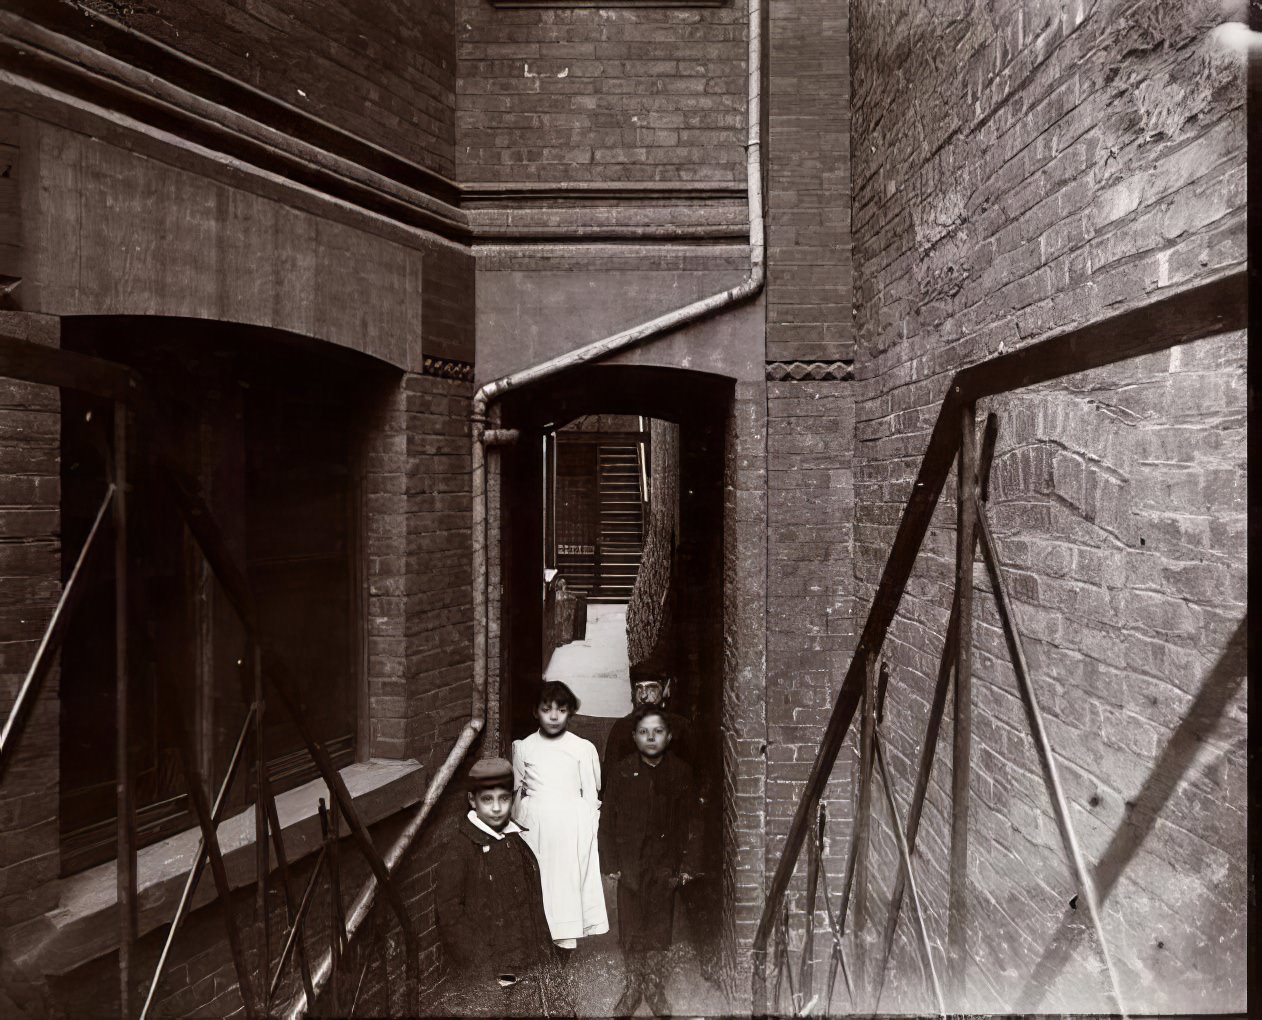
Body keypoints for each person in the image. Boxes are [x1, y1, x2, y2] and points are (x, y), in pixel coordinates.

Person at [434, 757, 563, 1015]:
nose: (496, 808)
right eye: (487, 800)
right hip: (493, 965)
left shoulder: (514, 840)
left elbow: (532, 901)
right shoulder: (461, 850)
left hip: (525, 956)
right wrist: (481, 963)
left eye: (503, 799)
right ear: (472, 800)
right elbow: (449, 914)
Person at [600, 705, 702, 1016]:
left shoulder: (681, 772)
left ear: (669, 736)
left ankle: (654, 987)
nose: (651, 737)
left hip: (664, 864)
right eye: (644, 732)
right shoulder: (621, 772)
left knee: (659, 926)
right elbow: (607, 820)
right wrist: (611, 862)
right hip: (630, 863)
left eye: (658, 731)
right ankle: (633, 986)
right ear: (634, 737)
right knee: (631, 927)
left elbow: (693, 821)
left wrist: (687, 866)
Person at [512, 680, 610, 952]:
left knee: (565, 882)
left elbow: (591, 794)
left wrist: (587, 828)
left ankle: (563, 944)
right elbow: (519, 788)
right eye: (546, 709)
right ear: (536, 712)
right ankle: (539, 940)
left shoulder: (581, 748)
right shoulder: (525, 747)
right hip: (537, 825)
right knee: (541, 879)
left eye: (561, 710)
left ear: (570, 713)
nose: (554, 716)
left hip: (569, 824)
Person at [602, 669, 690, 788]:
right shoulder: (622, 727)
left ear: (666, 689)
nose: (643, 695)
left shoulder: (681, 727)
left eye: (651, 688)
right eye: (639, 688)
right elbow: (610, 778)